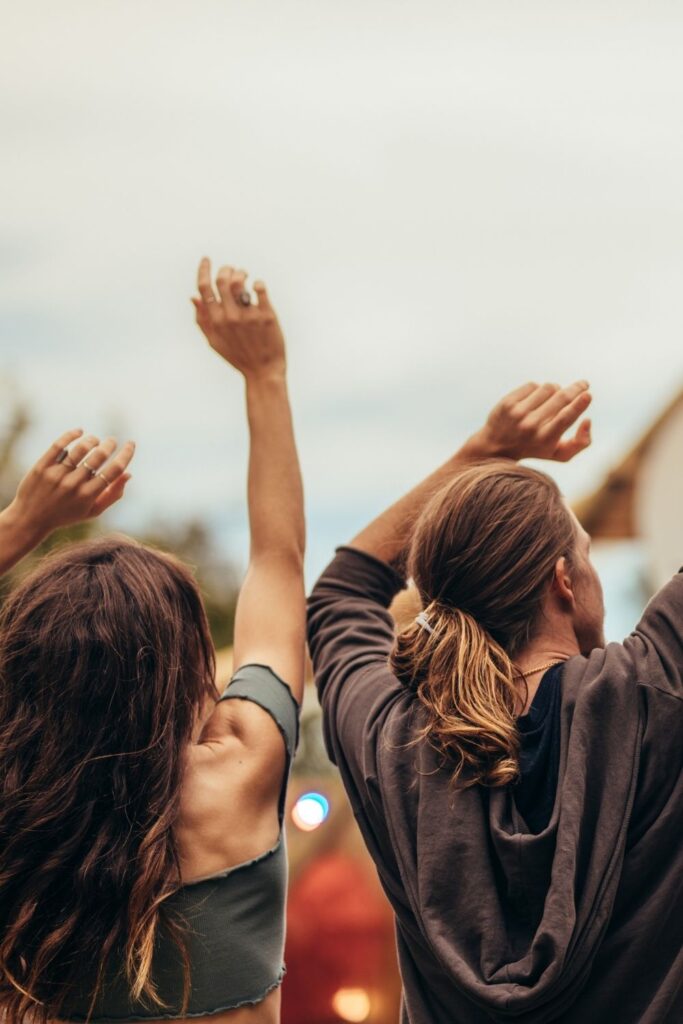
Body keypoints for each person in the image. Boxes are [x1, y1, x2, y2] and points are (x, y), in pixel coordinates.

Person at [308, 380, 683, 1023]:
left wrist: (485, 450)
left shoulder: (391, 742)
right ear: (564, 579)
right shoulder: (653, 689)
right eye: (586, 554)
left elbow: (343, 592)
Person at [0, 259, 305, 1024]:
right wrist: (263, 376)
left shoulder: (14, 809)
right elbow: (277, 561)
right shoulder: (242, 766)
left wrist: (19, 525)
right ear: (186, 669)